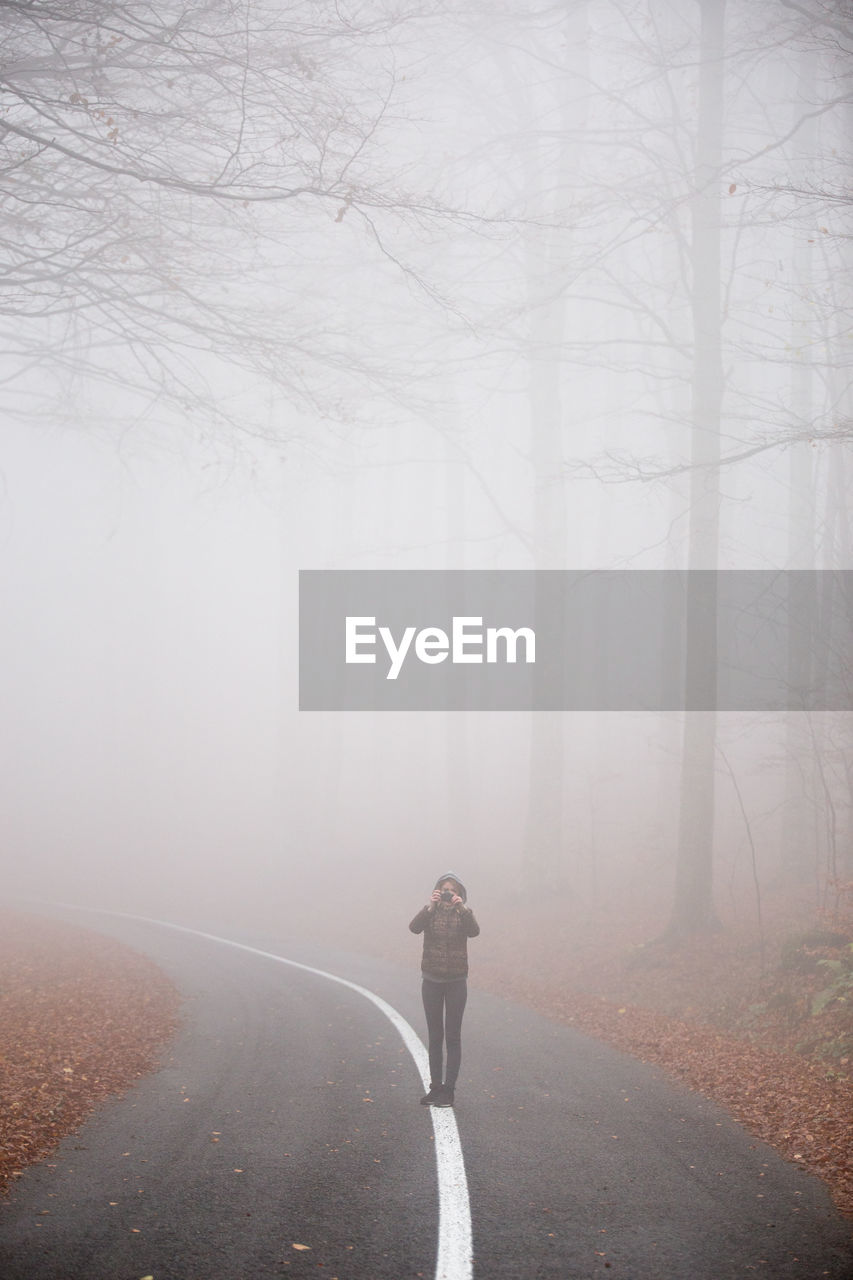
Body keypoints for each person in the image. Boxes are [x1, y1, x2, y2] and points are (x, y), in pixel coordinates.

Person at [409, 872, 480, 1108]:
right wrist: (429, 906)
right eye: (444, 889)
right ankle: (435, 1088)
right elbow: (413, 928)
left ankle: (448, 1091)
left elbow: (474, 932)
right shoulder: (430, 912)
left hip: (456, 982)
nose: (448, 893)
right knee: (435, 1036)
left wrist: (463, 909)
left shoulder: (464, 914)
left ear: (459, 894)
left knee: (453, 1036)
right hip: (431, 981)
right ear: (437, 891)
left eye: (453, 890)